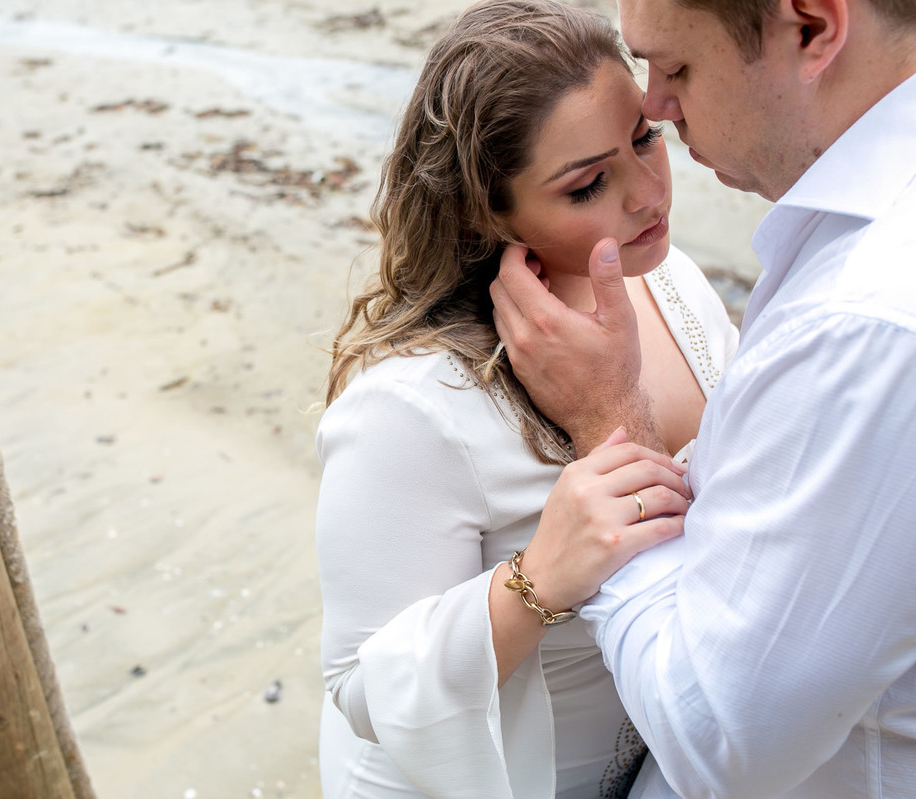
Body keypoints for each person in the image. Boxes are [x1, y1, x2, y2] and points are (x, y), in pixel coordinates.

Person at [490, 0, 916, 796]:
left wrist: (607, 420)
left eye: (677, 67)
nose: (653, 102)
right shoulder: (852, 255)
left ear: (812, 28)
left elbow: (717, 737)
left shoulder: (863, 323)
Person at [314, 2, 739, 796]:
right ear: (485, 213)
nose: (649, 193)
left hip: (669, 759)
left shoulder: (673, 282)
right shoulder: (412, 407)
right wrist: (535, 579)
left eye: (645, 137)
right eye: (589, 184)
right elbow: (359, 689)